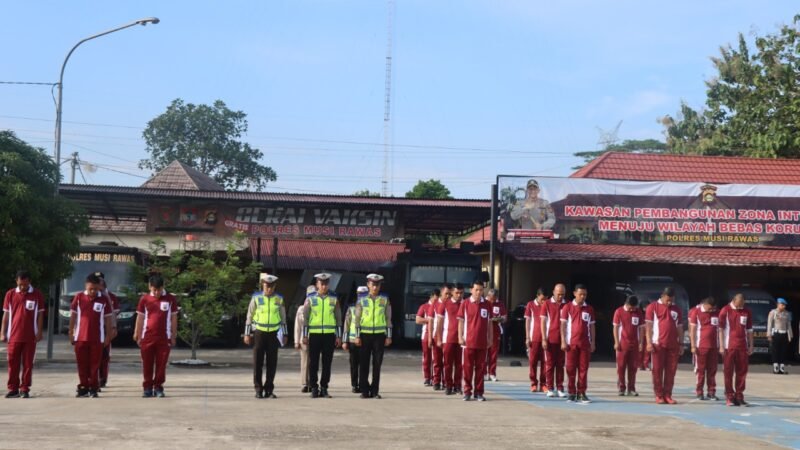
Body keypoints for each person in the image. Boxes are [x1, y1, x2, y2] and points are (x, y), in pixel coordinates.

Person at [1, 270, 45, 398]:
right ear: (16, 281)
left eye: (25, 284)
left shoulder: (37, 294)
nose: (22, 287)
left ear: (29, 282)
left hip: (30, 336)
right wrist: (2, 332)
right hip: (13, 336)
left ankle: (24, 388)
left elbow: (41, 314)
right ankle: (13, 389)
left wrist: (40, 332)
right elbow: (6, 314)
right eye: (20, 284)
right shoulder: (10, 294)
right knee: (12, 363)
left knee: (27, 364)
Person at [133, 274, 178, 398]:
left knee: (161, 364)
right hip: (147, 337)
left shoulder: (170, 299)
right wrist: (137, 333)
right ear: (149, 287)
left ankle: (158, 387)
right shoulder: (145, 299)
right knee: (147, 363)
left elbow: (173, 318)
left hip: (164, 337)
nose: (157, 292)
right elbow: (140, 317)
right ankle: (147, 387)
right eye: (154, 290)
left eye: (159, 289)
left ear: (163, 287)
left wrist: (174, 335)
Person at [69, 273, 113, 398]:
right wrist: (71, 332)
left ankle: (93, 387)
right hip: (80, 338)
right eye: (90, 289)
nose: (93, 291)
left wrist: (108, 336)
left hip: (97, 339)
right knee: (82, 364)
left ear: (99, 287)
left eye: (95, 288)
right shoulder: (79, 297)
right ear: (86, 286)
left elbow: (108, 319)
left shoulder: (103, 299)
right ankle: (83, 387)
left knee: (95, 364)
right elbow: (73, 315)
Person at [244, 274, 287, 399]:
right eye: (267, 286)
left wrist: (285, 334)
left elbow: (283, 318)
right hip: (259, 333)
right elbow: (249, 316)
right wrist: (247, 333)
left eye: (271, 287)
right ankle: (258, 389)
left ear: (274, 287)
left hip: (273, 334)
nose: (269, 289)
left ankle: (269, 389)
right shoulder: (256, 298)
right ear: (263, 285)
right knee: (258, 362)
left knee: (272, 363)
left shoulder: (279, 299)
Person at [302, 273, 341, 399]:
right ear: (317, 284)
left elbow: (338, 318)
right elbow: (306, 318)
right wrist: (305, 335)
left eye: (326, 283)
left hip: (329, 335)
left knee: (327, 363)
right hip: (315, 335)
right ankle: (314, 387)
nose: (324, 286)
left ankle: (324, 387)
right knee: (313, 362)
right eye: (321, 283)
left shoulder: (334, 298)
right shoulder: (310, 298)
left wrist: (339, 336)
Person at [354, 274, 392, 399]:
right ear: (368, 285)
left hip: (379, 336)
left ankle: (375, 391)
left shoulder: (384, 300)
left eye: (377, 284)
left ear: (380, 286)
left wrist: (388, 336)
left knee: (377, 364)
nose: (375, 287)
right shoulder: (362, 300)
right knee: (364, 364)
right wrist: (357, 336)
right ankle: (364, 390)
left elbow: (388, 319)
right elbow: (357, 319)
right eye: (373, 284)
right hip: (365, 335)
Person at [645, 286, 684, 405]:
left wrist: (681, 344)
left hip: (673, 345)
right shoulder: (653, 307)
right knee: (657, 371)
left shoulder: (676, 309)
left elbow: (680, 328)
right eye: (668, 299)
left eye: (672, 300)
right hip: (658, 345)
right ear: (663, 296)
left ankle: (668, 395)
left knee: (671, 371)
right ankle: (659, 395)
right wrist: (648, 342)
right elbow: (649, 327)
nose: (670, 302)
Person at [457, 280, 492, 402]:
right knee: (467, 369)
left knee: (481, 369)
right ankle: (467, 392)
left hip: (482, 343)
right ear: (471, 290)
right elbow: (461, 321)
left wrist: (490, 338)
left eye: (481, 290)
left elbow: (489, 323)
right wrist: (460, 337)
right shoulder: (465, 303)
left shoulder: (487, 304)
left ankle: (479, 393)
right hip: (468, 343)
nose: (478, 292)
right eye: (476, 290)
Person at [560, 284, 595, 404]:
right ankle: (571, 393)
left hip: (585, 344)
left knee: (583, 369)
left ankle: (581, 393)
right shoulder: (567, 307)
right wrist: (563, 341)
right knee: (570, 369)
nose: (583, 297)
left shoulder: (589, 309)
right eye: (580, 294)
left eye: (585, 294)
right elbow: (563, 325)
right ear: (575, 293)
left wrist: (593, 342)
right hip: (571, 344)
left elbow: (591, 326)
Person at [719, 293, 754, 407]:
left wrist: (751, 345)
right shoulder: (726, 310)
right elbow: (720, 329)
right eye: (739, 304)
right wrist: (721, 346)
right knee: (728, 372)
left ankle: (739, 396)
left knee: (742, 372)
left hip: (742, 346)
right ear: (734, 300)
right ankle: (729, 396)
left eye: (742, 304)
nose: (741, 306)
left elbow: (749, 330)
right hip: (729, 347)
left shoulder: (746, 311)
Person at [688, 297, 720, 401]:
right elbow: (692, 330)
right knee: (700, 371)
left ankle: (711, 392)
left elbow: (720, 329)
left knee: (712, 370)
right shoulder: (696, 312)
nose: (711, 311)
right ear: (705, 305)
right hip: (700, 346)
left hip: (714, 346)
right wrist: (693, 346)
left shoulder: (717, 313)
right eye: (709, 309)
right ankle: (699, 391)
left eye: (713, 309)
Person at [612, 295, 644, 396]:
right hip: (622, 344)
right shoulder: (619, 311)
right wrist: (616, 342)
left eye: (634, 307)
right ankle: (621, 387)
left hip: (634, 344)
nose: (632, 309)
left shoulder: (638, 312)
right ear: (627, 304)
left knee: (633, 367)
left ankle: (631, 388)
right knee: (621, 367)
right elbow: (616, 328)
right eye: (631, 307)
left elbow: (641, 328)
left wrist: (641, 342)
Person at [436, 282, 464, 396]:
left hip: (461, 339)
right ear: (452, 292)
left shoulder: (465, 304)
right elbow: (439, 323)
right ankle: (448, 385)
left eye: (461, 293)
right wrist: (438, 339)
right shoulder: (445, 304)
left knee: (459, 364)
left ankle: (457, 385)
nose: (459, 295)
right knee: (447, 364)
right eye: (457, 292)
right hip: (448, 338)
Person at [541, 283, 567, 398]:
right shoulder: (546, 304)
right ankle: (550, 387)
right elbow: (543, 322)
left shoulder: (567, 305)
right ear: (553, 292)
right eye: (558, 294)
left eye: (563, 294)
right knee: (550, 365)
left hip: (563, 340)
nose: (560, 296)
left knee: (560, 365)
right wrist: (544, 339)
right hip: (550, 339)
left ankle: (560, 388)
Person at [343, 286, 368, 393]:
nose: (361, 296)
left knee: (364, 364)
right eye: (359, 294)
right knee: (354, 364)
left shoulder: (369, 307)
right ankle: (354, 385)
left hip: (366, 339)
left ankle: (363, 384)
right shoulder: (352, 308)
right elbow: (346, 324)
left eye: (363, 294)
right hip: (353, 340)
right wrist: (345, 341)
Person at [96, 274, 119, 389]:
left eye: (100, 285)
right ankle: (94, 380)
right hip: (93, 330)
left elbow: (113, 316)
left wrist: (113, 329)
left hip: (106, 330)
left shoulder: (110, 298)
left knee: (104, 357)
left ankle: (102, 378)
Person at [524, 288, 547, 392]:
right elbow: (528, 321)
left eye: (545, 299)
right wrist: (528, 337)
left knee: (545, 362)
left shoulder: (548, 305)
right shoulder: (530, 305)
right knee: (532, 361)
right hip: (534, 338)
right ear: (537, 296)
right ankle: (533, 383)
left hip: (546, 338)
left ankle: (543, 384)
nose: (544, 301)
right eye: (542, 299)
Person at [415, 289, 439, 386]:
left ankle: (436, 378)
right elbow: (418, 319)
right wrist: (429, 320)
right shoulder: (424, 306)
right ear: (432, 296)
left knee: (436, 358)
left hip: (437, 335)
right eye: (436, 298)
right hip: (426, 335)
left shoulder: (439, 306)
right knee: (427, 357)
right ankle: (427, 377)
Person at [294, 285, 315, 393]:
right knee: (305, 362)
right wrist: (296, 341)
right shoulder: (301, 309)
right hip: (304, 339)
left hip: (316, 337)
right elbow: (297, 326)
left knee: (314, 362)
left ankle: (313, 383)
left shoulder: (317, 308)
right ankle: (304, 383)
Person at [431, 283, 452, 391]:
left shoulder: (451, 304)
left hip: (447, 337)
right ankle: (436, 381)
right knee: (437, 361)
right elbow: (430, 321)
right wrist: (431, 337)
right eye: (446, 294)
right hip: (437, 336)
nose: (448, 296)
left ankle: (446, 382)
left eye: (450, 294)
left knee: (447, 362)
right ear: (441, 293)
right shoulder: (435, 304)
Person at [485, 288, 506, 382]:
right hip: (484, 332)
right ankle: (484, 373)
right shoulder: (484, 303)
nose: (492, 300)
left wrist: (499, 319)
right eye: (490, 298)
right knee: (484, 354)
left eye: (493, 298)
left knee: (493, 354)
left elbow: (505, 318)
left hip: (496, 331)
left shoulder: (500, 304)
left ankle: (492, 373)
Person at [767, 298, 793, 374]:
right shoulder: (773, 312)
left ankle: (782, 368)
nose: (784, 306)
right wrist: (769, 335)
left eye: (784, 305)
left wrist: (790, 335)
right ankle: (776, 368)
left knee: (783, 351)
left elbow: (789, 325)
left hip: (784, 334)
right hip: (776, 334)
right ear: (778, 304)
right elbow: (769, 324)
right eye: (782, 305)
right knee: (775, 351)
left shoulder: (787, 313)